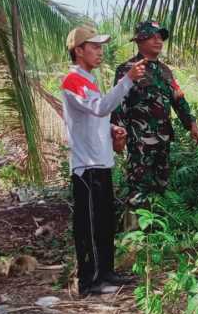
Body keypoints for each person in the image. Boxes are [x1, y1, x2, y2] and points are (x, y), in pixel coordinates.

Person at [61, 25, 146, 296]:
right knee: (90, 225)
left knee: (104, 222)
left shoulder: (89, 80)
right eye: (94, 47)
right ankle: (90, 280)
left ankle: (106, 272)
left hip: (101, 162)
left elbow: (93, 117)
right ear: (79, 51)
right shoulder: (73, 80)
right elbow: (99, 108)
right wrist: (127, 80)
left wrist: (110, 130)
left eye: (100, 46)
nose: (100, 51)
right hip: (87, 166)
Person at [111, 20, 198, 230]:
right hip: (139, 140)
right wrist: (117, 133)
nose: (158, 40)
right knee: (137, 186)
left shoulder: (165, 71)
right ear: (140, 40)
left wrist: (191, 123)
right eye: (152, 36)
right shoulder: (127, 69)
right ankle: (132, 236)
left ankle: (153, 230)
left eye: (160, 36)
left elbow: (178, 99)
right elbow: (118, 103)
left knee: (160, 184)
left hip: (163, 138)